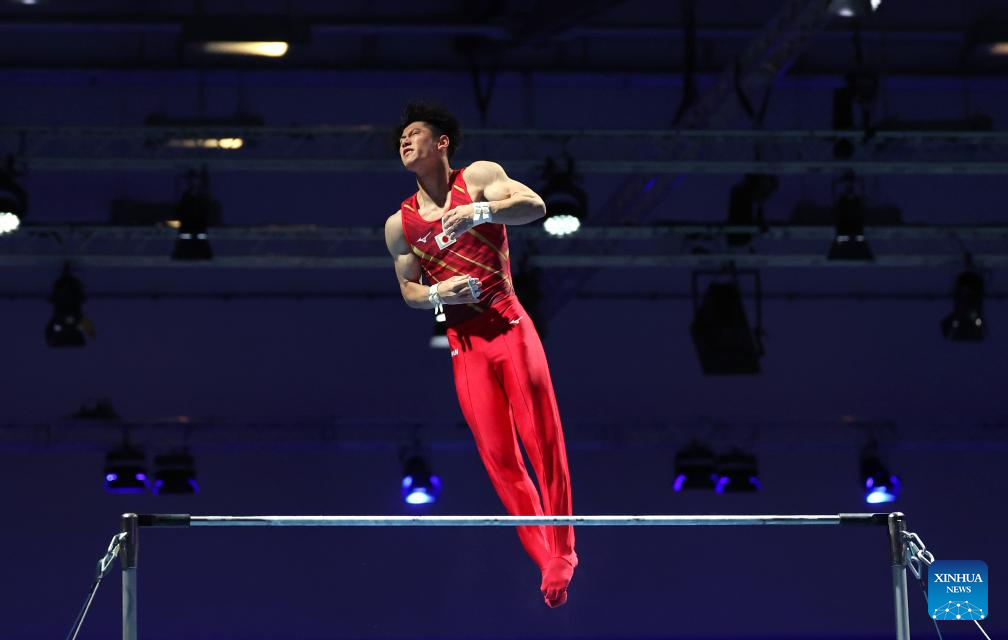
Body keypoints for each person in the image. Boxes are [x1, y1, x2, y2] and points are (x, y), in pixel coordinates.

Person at [383, 101, 578, 608]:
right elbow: (408, 290)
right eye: (401, 137)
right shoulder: (399, 225)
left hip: (510, 328)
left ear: (442, 142)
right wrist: (437, 293)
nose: (405, 141)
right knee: (499, 459)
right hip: (464, 346)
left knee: (542, 441)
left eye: (415, 133)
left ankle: (563, 552)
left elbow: (535, 206)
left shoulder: (479, 177)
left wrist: (482, 212)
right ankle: (544, 558)